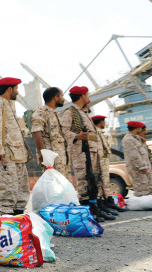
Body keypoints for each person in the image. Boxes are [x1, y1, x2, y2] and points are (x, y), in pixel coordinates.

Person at [60, 87, 114, 221]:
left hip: (92, 152)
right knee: (84, 181)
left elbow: (92, 135)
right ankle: (87, 212)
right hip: (81, 153)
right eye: (87, 94)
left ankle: (95, 208)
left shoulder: (82, 113)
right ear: (83, 96)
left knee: (94, 180)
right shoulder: (70, 112)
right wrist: (78, 135)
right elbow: (64, 132)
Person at [0, 77, 33, 215]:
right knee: (7, 190)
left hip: (17, 155)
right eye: (16, 89)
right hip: (7, 156)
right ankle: (6, 222)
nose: (17, 92)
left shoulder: (9, 105)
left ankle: (18, 218)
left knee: (21, 191)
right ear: (9, 89)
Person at [30, 87, 70, 178]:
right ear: (56, 97)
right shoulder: (41, 113)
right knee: (54, 186)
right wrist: (43, 153)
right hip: (51, 159)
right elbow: (36, 133)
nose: (63, 99)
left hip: (61, 159)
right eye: (62, 96)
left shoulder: (54, 114)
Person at [92, 115, 125, 212]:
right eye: (103, 121)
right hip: (99, 161)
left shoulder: (100, 133)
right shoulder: (95, 133)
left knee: (105, 183)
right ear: (100, 122)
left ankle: (107, 203)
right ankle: (103, 204)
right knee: (101, 183)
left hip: (104, 161)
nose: (105, 123)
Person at [122, 121, 152, 196]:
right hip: (138, 170)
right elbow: (134, 155)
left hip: (144, 169)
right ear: (136, 129)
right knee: (142, 190)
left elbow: (143, 153)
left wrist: (143, 143)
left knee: (149, 189)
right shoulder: (128, 139)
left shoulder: (136, 139)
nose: (141, 130)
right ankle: (144, 206)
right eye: (140, 128)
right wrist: (142, 166)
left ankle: (148, 206)